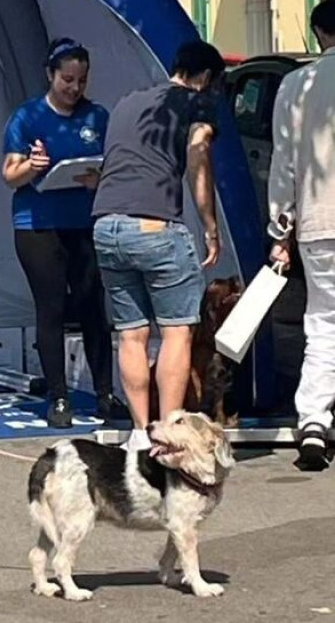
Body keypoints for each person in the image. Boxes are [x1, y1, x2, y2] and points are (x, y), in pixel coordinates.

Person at [92, 40, 225, 448]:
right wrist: (209, 225)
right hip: (156, 228)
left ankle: (138, 432)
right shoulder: (195, 105)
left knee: (131, 334)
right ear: (204, 78)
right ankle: (168, 431)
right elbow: (198, 157)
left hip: (106, 225)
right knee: (175, 333)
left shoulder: (129, 103)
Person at [2, 38, 128, 428]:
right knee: (52, 307)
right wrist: (34, 166)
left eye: (81, 81)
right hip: (38, 225)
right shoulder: (28, 117)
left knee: (93, 306)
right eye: (67, 80)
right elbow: (10, 174)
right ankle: (59, 397)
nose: (74, 88)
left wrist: (98, 178)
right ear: (50, 76)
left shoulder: (98, 117)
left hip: (84, 223)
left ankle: (106, 394)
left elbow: (113, 168)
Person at [268, 0, 335, 471]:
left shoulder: (295, 84)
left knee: (323, 321)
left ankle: (313, 420)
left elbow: (284, 162)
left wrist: (280, 227)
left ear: (317, 34)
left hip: (317, 221)